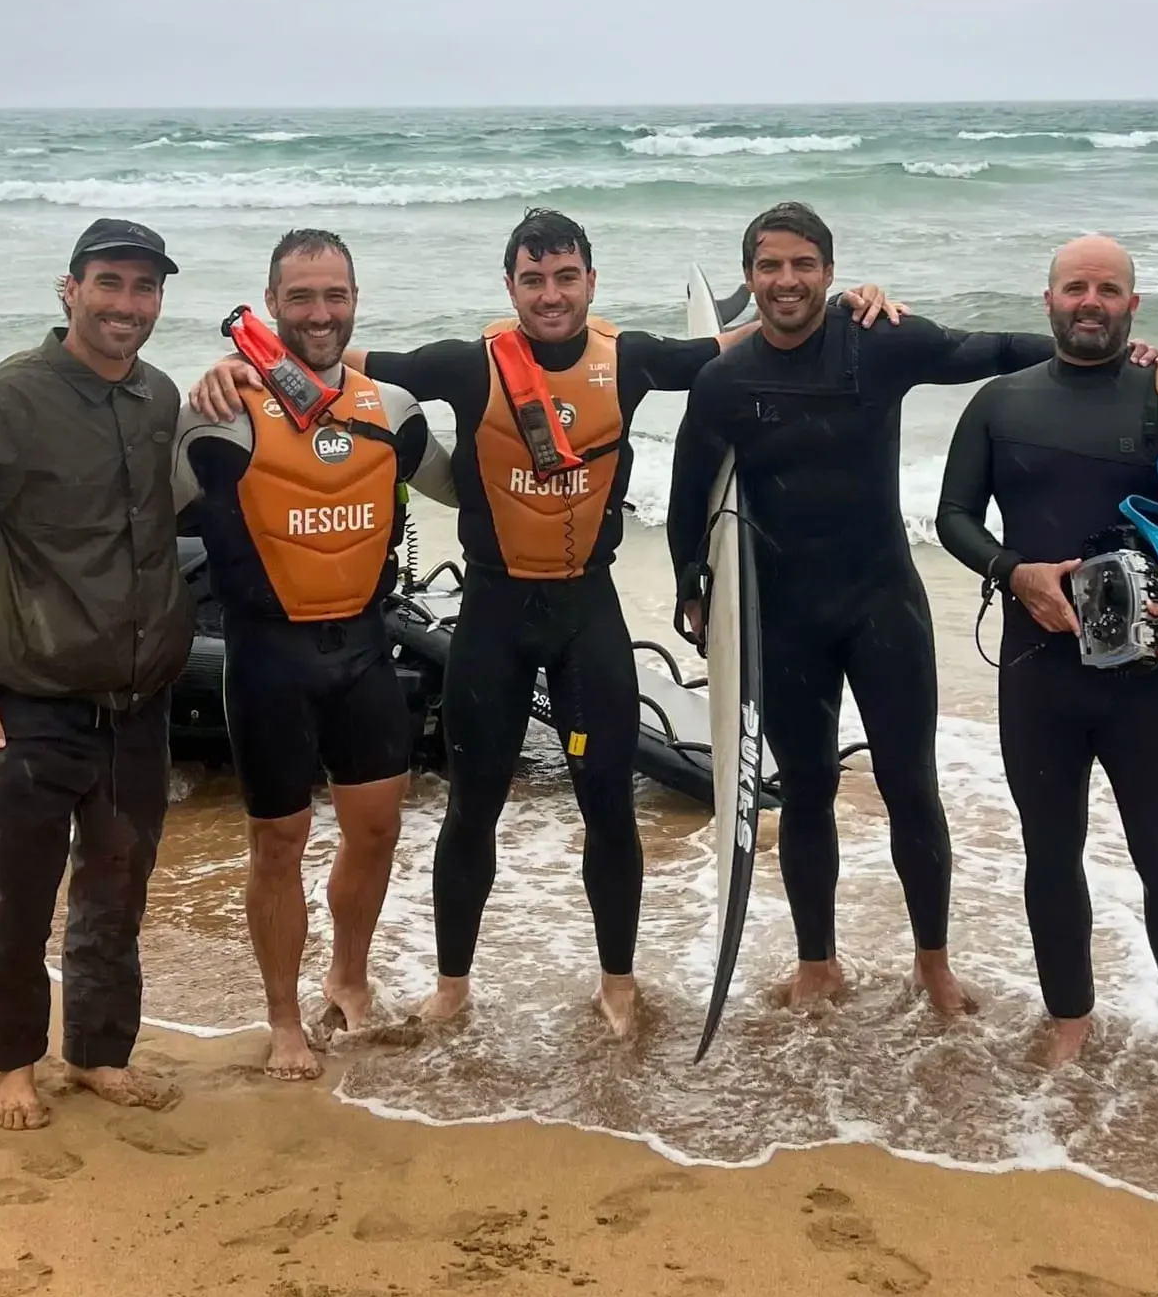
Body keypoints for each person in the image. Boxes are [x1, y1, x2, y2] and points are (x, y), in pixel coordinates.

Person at [191, 207, 899, 1038]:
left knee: (608, 805)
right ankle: (452, 985)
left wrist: (848, 302)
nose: (551, 294)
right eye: (534, 279)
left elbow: (742, 336)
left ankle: (618, 982)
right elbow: (328, 359)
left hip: (585, 612)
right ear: (511, 286)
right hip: (492, 615)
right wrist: (238, 365)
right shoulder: (464, 364)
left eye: (566, 277)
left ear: (590, 282)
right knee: (474, 808)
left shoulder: (627, 358)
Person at [666, 202, 1158, 1016]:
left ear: (830, 273)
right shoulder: (725, 381)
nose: (787, 280)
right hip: (787, 613)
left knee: (912, 785)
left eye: (803, 264)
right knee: (803, 789)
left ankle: (932, 962)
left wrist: (1122, 353)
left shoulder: (881, 342)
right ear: (748, 278)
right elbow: (689, 497)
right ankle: (817, 963)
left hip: (882, 604)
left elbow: (990, 351)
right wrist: (692, 592)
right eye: (770, 266)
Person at [935, 236, 1158, 1091]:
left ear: (1134, 304)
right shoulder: (998, 402)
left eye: (1108, 288)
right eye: (1074, 286)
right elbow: (952, 515)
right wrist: (1011, 570)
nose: (1089, 300)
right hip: (1036, 666)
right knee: (1049, 853)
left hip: (1148, 670)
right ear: (1047, 299)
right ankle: (1069, 1020)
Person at [0, 219, 196, 1133]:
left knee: (117, 891)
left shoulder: (159, 399)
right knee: (13, 895)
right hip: (28, 697)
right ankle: (12, 1067)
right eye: (110, 283)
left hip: (135, 702)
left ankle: (101, 1054)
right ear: (68, 288)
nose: (128, 305)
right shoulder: (8, 398)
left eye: (145, 288)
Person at [175, 227, 456, 1083]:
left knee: (375, 829)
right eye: (300, 296)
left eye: (335, 294)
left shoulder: (391, 409)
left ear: (356, 301)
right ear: (270, 305)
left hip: (364, 652)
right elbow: (134, 511)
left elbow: (471, 487)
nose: (319, 312)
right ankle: (283, 1016)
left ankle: (350, 977)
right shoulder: (217, 412)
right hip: (267, 657)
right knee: (278, 841)